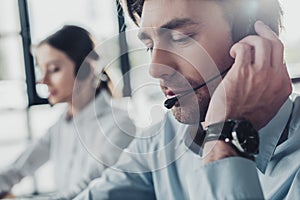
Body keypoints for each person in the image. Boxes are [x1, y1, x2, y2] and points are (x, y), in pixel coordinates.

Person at [73, 0, 300, 199]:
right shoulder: (164, 139)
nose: (155, 69)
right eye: (149, 47)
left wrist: (224, 137)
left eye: (180, 38)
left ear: (252, 38)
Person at [0, 25, 135, 199]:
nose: (43, 80)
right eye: (42, 71)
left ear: (86, 68)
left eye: (54, 69)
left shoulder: (119, 125)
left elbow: (86, 192)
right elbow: (18, 167)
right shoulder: (60, 126)